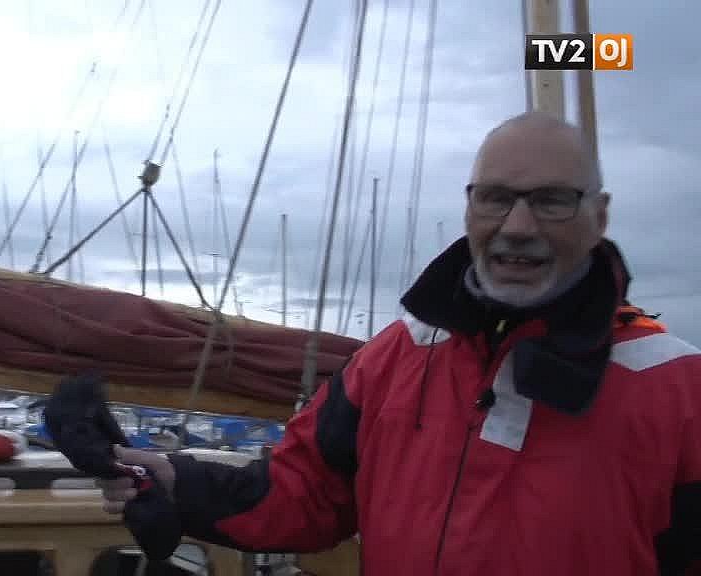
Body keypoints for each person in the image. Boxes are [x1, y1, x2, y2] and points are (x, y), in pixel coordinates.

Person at [96, 111, 701, 575]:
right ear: (470, 207)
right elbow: (307, 491)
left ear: (600, 214)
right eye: (496, 198)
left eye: (551, 200)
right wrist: (175, 481)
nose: (518, 227)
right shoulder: (397, 357)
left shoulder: (676, 389)